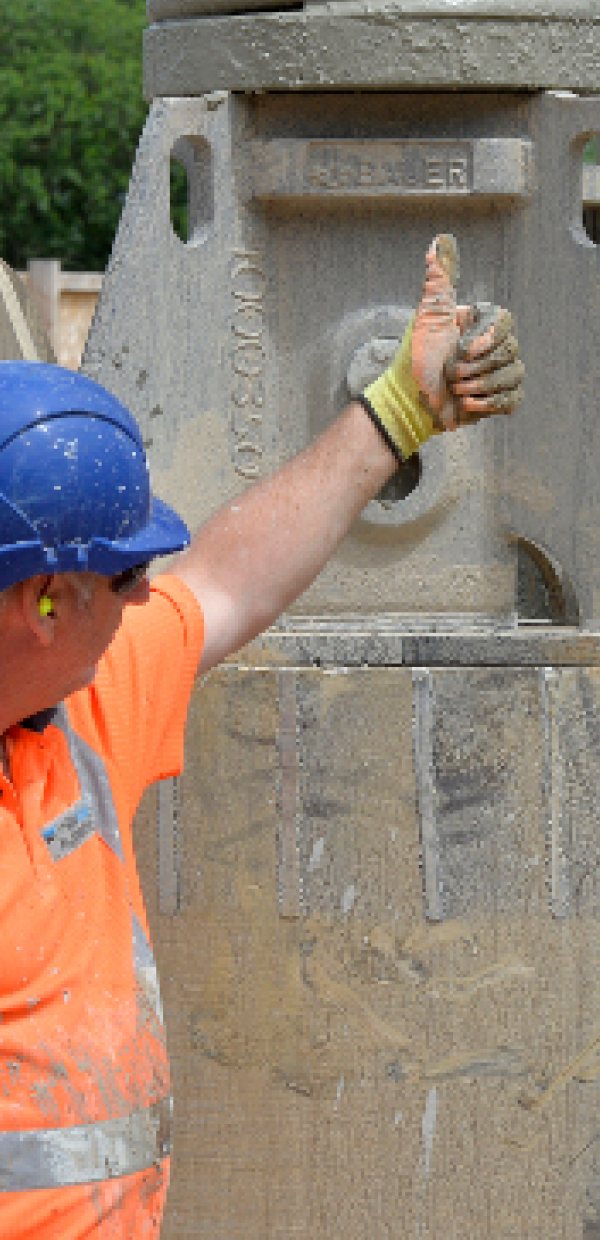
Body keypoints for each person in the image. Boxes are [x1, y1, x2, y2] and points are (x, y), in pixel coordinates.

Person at [0, 236, 523, 1237]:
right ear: (46, 603)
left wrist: (401, 414)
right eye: (122, 577)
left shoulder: (77, 701)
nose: (149, 592)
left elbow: (225, 580)